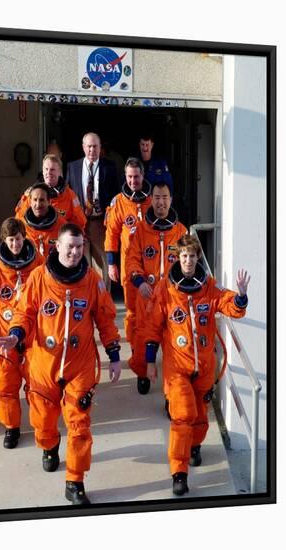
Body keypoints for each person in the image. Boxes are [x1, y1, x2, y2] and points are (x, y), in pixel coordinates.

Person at [0, 223, 122, 505]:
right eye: (70, 247)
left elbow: (105, 319)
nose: (75, 252)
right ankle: (49, 445)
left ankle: (75, 481)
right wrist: (16, 335)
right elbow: (24, 313)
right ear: (58, 247)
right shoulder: (39, 278)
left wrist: (114, 356)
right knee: (43, 420)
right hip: (44, 365)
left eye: (79, 247)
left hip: (80, 365)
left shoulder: (92, 281)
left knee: (79, 425)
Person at [143, 234, 250, 496]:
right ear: (177, 258)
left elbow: (229, 304)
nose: (188, 261)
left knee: (201, 417)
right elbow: (152, 327)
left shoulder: (208, 287)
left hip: (204, 366)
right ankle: (179, 472)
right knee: (182, 416)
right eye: (184, 256)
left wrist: (241, 297)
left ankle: (194, 446)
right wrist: (149, 362)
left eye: (192, 256)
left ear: (197, 258)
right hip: (177, 367)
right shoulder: (165, 291)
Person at [0, 217, 44, 449]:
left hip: (33, 335)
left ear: (25, 238)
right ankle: (11, 427)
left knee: (38, 385)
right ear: (5, 240)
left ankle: (42, 426)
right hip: (4, 334)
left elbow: (48, 294)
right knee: (5, 384)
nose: (15, 245)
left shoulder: (38, 263)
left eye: (19, 239)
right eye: (11, 240)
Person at [125, 181, 187, 395]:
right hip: (148, 296)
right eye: (157, 197)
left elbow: (189, 262)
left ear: (171, 200)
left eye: (165, 198)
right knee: (143, 339)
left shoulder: (180, 231)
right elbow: (131, 259)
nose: (161, 202)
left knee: (173, 347)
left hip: (172, 299)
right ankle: (143, 373)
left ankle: (173, 394)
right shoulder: (141, 230)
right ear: (151, 199)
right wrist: (139, 281)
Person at [104, 157, 152, 347]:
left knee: (151, 308)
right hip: (128, 265)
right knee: (132, 310)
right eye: (130, 177)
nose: (133, 181)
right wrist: (111, 263)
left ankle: (149, 344)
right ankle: (135, 348)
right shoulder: (119, 203)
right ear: (125, 177)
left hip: (151, 264)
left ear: (143, 175)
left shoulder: (152, 199)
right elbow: (112, 234)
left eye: (137, 177)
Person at [66, 132, 120, 289]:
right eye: (89, 146)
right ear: (83, 147)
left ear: (100, 147)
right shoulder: (73, 166)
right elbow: (68, 194)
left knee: (102, 266)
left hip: (99, 222)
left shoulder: (109, 167)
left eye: (95, 146)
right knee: (79, 262)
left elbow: (116, 195)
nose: (92, 150)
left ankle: (102, 302)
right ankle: (83, 300)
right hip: (79, 223)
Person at [15, 154, 86, 230]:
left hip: (59, 238)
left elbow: (79, 223)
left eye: (52, 169)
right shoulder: (31, 194)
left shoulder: (69, 195)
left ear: (59, 172)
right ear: (42, 171)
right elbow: (19, 220)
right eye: (46, 169)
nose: (48, 172)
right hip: (34, 239)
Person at [17, 182, 67, 257]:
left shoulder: (62, 225)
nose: (38, 205)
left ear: (49, 201)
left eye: (41, 200)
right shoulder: (20, 226)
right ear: (30, 201)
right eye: (35, 200)